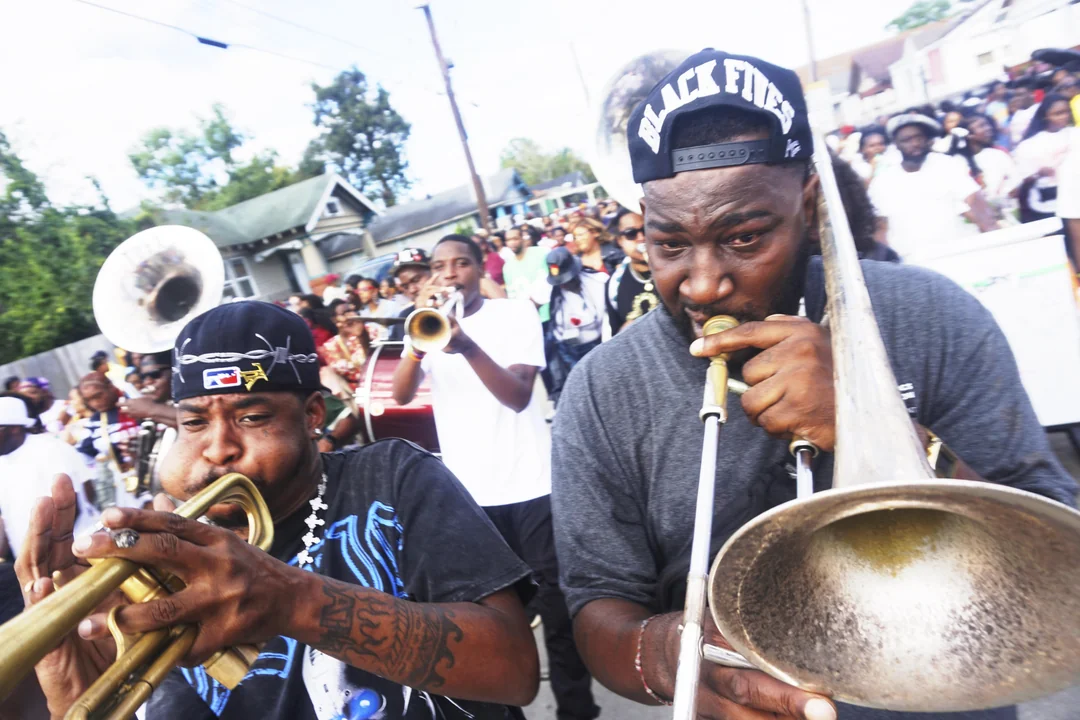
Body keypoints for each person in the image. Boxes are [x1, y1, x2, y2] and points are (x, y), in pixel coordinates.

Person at [550, 48, 1078, 720]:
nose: (703, 281)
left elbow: (1059, 555)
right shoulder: (602, 391)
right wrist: (672, 658)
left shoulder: (932, 315)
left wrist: (872, 420)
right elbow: (599, 604)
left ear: (808, 202)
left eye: (744, 239)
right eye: (669, 243)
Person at [16, 300, 540, 719]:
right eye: (194, 424)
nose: (217, 448)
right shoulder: (170, 564)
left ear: (313, 413)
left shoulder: (393, 475)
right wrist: (74, 698)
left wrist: (291, 600)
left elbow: (514, 669)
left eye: (252, 416)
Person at [392, 235, 599, 720]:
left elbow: (518, 396)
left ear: (479, 269)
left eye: (460, 263)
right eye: (441, 266)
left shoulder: (515, 316)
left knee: (558, 613)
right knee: (490, 620)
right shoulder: (425, 326)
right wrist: (420, 347)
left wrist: (464, 345)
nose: (450, 274)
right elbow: (400, 395)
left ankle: (576, 710)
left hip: (532, 485)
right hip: (468, 496)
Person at [869, 112, 997, 264]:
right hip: (912, 263)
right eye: (907, 140)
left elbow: (977, 204)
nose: (915, 143)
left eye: (919, 138)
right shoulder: (883, 182)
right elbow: (880, 228)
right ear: (896, 144)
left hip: (959, 255)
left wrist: (994, 238)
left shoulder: (947, 165)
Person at [0, 394, 98, 561]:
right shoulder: (3, 461)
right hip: (34, 565)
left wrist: (44, 556)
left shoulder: (48, 449)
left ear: (14, 427)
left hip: (75, 555)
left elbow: (70, 505)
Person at [544, 247, 607, 405]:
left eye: (567, 280)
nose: (564, 285)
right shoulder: (549, 291)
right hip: (568, 351)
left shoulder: (599, 282)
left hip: (598, 347)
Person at [1012, 94, 1076, 224]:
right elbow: (1023, 178)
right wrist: (1038, 174)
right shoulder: (1029, 144)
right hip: (1049, 203)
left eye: (1067, 111)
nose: (1064, 116)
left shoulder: (1076, 133)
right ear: (1046, 115)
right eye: (1058, 113)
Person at [606, 209, 659, 333]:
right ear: (620, 240)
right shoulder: (614, 285)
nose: (641, 238)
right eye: (631, 233)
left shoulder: (675, 269)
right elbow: (616, 333)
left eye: (646, 229)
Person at [959, 113, 1016, 215]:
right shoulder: (958, 162)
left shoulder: (997, 154)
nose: (988, 128)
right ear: (969, 135)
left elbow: (1015, 179)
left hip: (1005, 209)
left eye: (987, 125)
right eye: (981, 126)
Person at [502, 225, 552, 324]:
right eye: (508, 240)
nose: (512, 243)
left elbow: (554, 278)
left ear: (522, 239)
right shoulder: (507, 267)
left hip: (551, 312)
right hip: (530, 320)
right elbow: (512, 295)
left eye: (515, 239)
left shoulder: (542, 253)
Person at [387, 248, 433, 343]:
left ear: (433, 271)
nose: (412, 290)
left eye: (416, 280)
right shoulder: (404, 318)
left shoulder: (460, 303)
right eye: (405, 286)